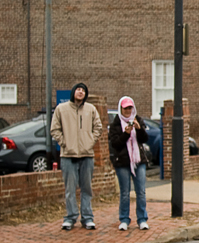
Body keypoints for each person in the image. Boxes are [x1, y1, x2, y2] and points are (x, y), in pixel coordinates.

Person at [51, 83, 103, 230]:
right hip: (68, 155)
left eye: (83, 90)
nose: (81, 92)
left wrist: (90, 142)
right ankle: (70, 217)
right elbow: (54, 129)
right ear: (73, 92)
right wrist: (64, 143)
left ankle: (87, 218)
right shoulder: (62, 109)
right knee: (70, 189)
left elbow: (98, 127)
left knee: (86, 188)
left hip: (87, 155)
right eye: (78, 90)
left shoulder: (91, 109)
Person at [108, 96, 150, 231]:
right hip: (123, 162)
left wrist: (138, 129)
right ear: (121, 108)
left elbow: (144, 139)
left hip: (139, 161)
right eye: (125, 108)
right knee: (125, 192)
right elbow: (115, 144)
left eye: (129, 107)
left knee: (141, 191)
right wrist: (125, 133)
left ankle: (142, 219)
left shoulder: (138, 120)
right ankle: (124, 219)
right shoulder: (116, 123)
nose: (127, 110)